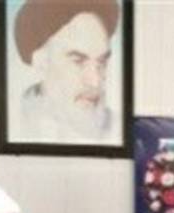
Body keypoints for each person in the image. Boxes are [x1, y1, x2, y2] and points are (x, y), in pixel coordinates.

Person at [14, 0, 121, 142]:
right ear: (40, 61)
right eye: (78, 61)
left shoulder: (119, 130)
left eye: (102, 62)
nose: (95, 82)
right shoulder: (15, 126)